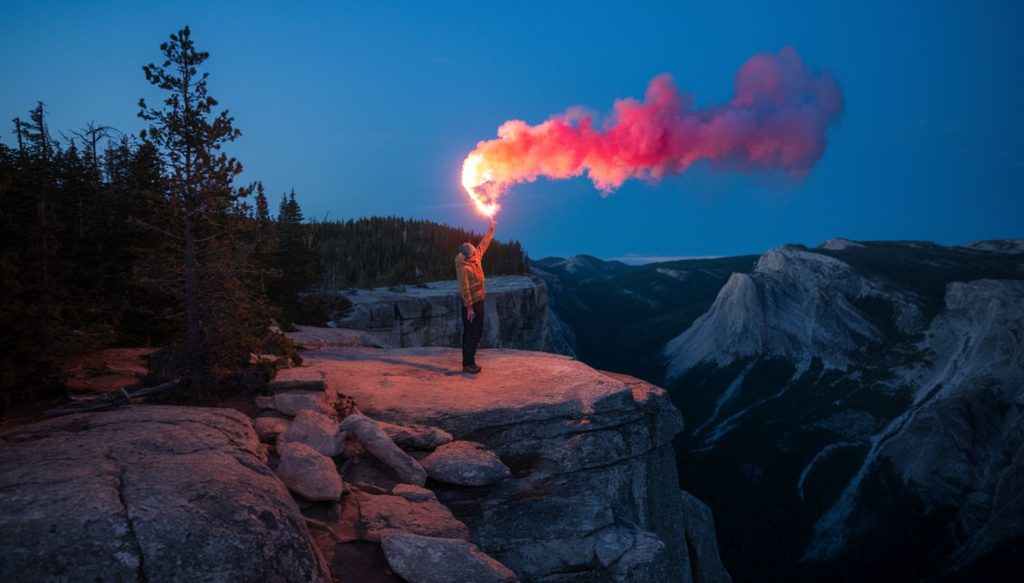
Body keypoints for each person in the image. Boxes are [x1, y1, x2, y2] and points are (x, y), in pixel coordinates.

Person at [455, 218, 496, 374]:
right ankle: (468, 363)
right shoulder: (463, 267)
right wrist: (469, 308)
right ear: (466, 256)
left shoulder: (474, 255)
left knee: (474, 331)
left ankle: (469, 357)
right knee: (472, 331)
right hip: (471, 303)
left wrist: (491, 229)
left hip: (480, 300)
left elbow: (484, 244)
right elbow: (464, 288)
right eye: (473, 252)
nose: (476, 253)